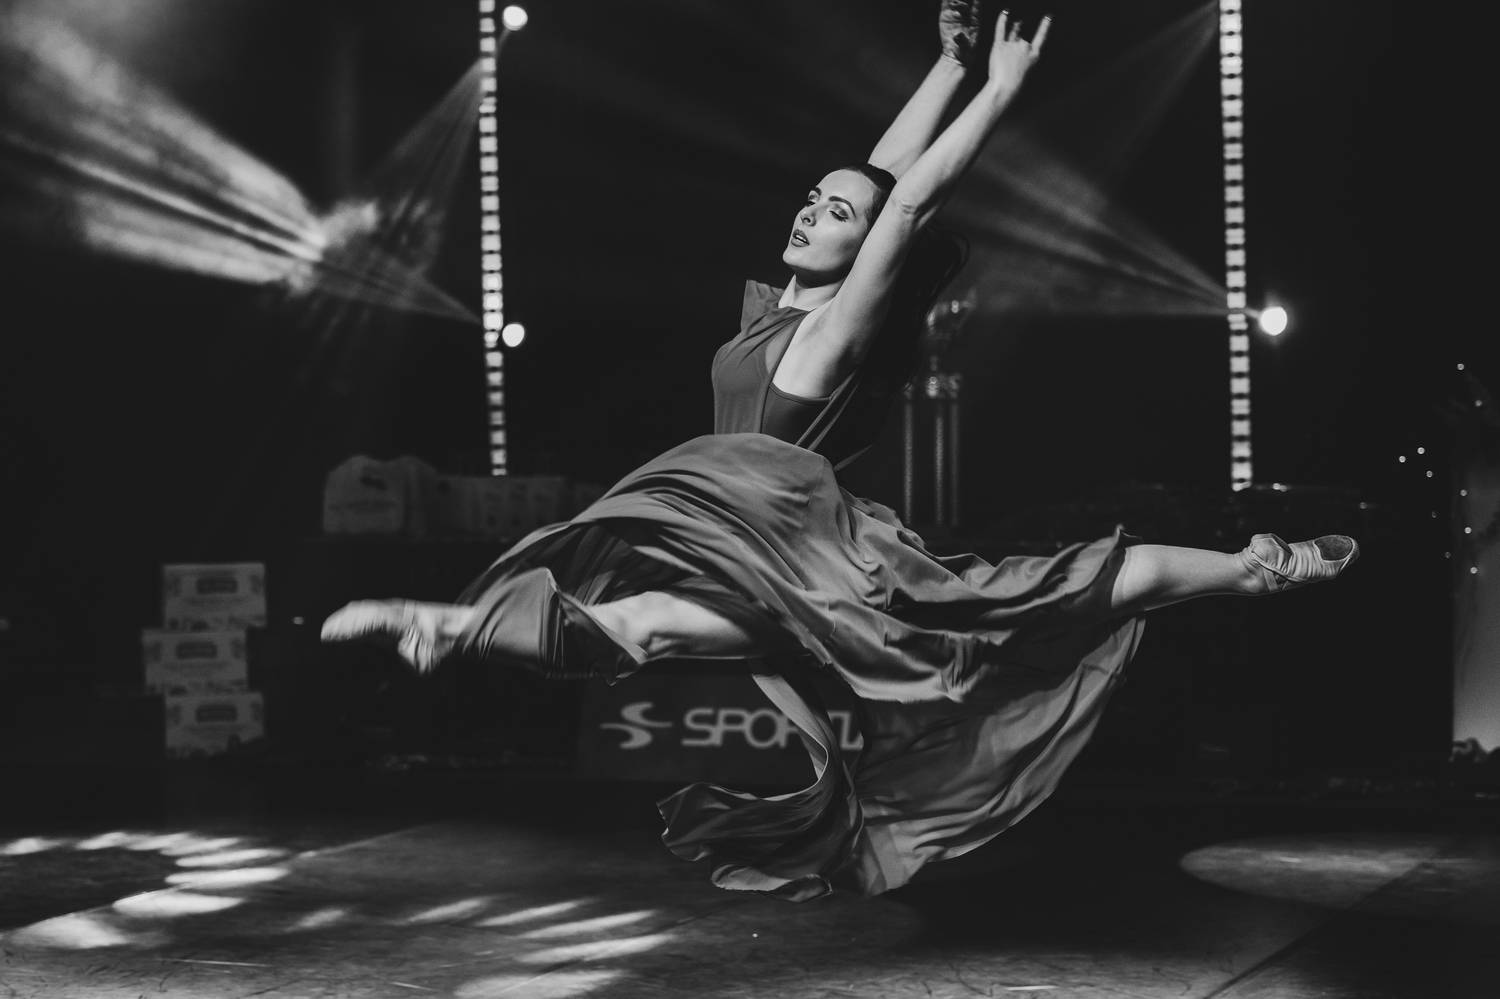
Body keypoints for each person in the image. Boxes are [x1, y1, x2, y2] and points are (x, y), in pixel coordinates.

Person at [323, 5, 1359, 901]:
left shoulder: (829, 334)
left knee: (1058, 586)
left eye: (834, 216)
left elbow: (903, 202)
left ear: (864, 252)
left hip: (805, 560)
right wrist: (947, 66)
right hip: (740, 551)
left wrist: (997, 92)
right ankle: (443, 628)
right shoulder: (783, 311)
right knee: (636, 629)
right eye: (810, 201)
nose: (811, 212)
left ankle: (1258, 565)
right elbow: (880, 176)